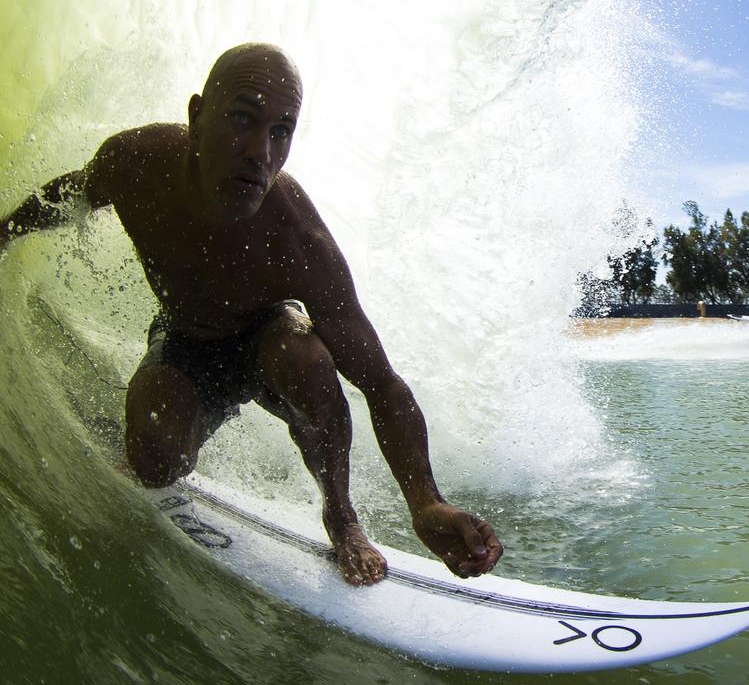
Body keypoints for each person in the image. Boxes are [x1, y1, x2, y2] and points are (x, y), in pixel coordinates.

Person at [0, 43, 502, 587]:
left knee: (305, 357)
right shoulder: (134, 163)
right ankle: (173, 430)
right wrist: (3, 233)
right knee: (153, 459)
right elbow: (71, 193)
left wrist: (425, 502)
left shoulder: (298, 240)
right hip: (187, 339)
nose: (261, 152)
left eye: (281, 131)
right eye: (243, 119)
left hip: (270, 340)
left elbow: (379, 382)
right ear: (196, 118)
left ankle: (341, 513)